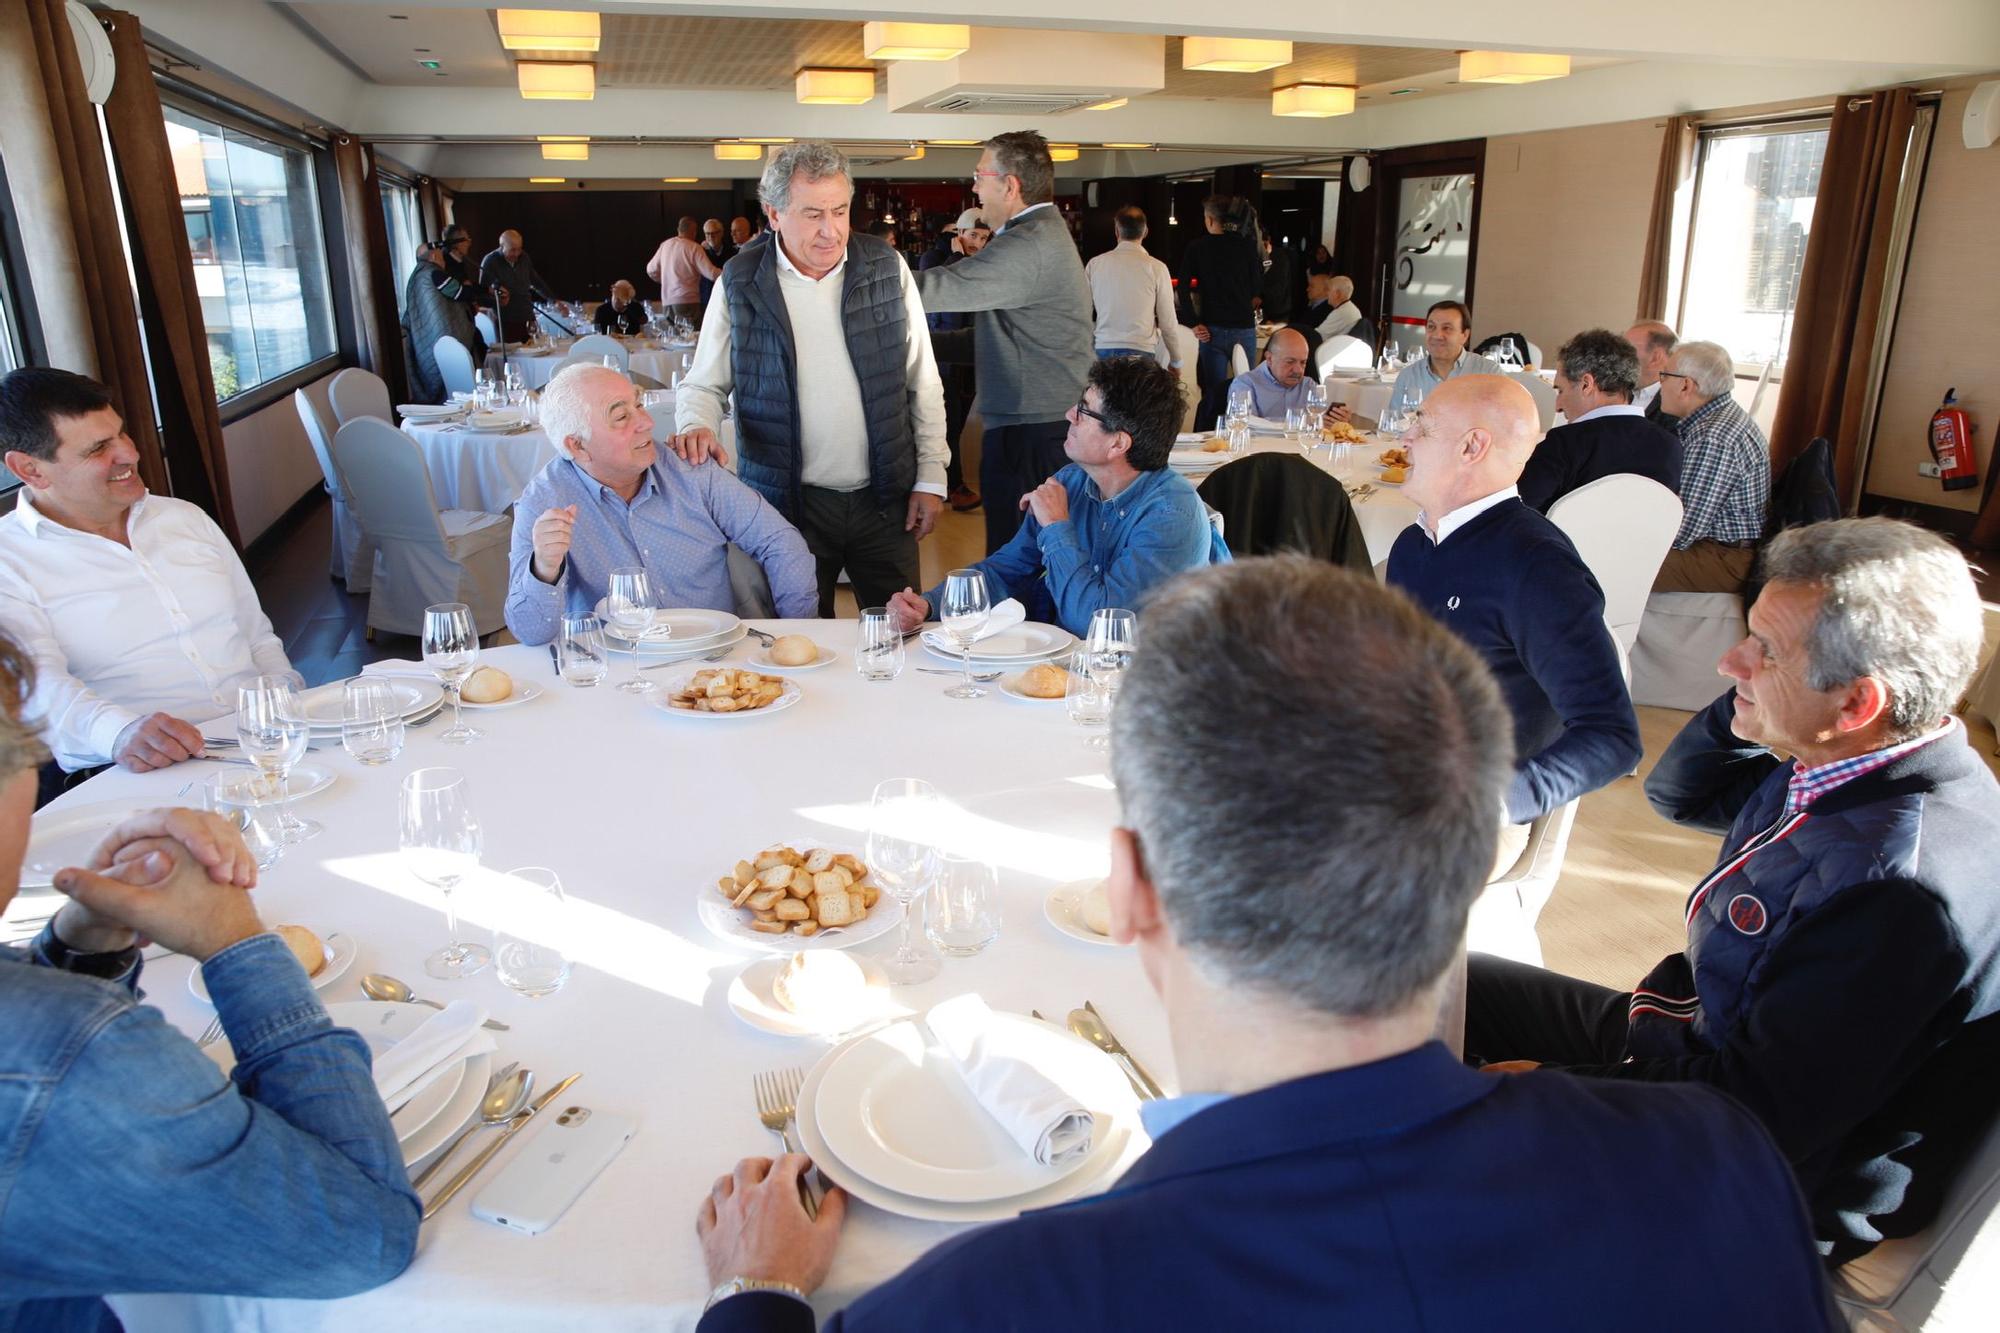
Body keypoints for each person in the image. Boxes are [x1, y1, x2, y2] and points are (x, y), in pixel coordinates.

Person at [691, 557, 1838, 1333]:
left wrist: (756, 1290)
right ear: (1462, 869)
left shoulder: (998, 1299)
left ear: (1130, 890)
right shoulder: (1717, 1165)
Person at [1470, 518, 2000, 1264]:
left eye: (1764, 650)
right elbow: (1680, 793)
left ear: (1857, 703)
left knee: (1451, 1157)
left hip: (1772, 1176)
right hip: (1698, 1041)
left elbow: (1756, 1114)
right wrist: (1764, 700)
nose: (1728, 661)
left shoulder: (1895, 891)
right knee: (1452, 987)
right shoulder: (1863, 758)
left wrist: (1551, 1088)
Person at [0, 635, 420, 1331]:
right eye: (24, 744)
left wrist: (86, 947)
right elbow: (365, 1234)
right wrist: (238, 941)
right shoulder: (72, 1053)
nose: (37, 767)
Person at [667, 143, 949, 616]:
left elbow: (924, 381)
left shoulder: (885, 267)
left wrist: (932, 476)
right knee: (797, 649)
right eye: (813, 214)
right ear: (774, 213)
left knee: (902, 638)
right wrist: (698, 423)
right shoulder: (740, 280)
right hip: (785, 507)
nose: (831, 230)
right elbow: (703, 384)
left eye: (840, 211)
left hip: (886, 501)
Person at [0, 369, 296, 798]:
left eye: (122, 434)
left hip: (262, 746)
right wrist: (120, 733)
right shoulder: (10, 559)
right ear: (30, 469)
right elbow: (39, 686)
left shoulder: (183, 518)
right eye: (99, 448)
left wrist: (287, 700)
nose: (129, 454)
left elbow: (255, 634)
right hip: (130, 775)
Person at [1386, 375, 1641, 851]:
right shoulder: (1413, 547)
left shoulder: (1536, 566)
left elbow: (1612, 738)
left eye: (1421, 425)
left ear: (1471, 447)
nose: (1405, 438)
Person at [885, 356, 1224, 637]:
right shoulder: (1073, 481)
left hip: (1143, 685)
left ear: (1118, 444)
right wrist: (930, 605)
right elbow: (1009, 569)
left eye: (1084, 410)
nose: (1069, 415)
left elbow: (1098, 628)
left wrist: (1057, 527)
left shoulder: (1172, 515)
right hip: (1067, 665)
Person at [504, 365, 815, 644]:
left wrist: (798, 632)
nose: (647, 422)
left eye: (639, 405)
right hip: (619, 672)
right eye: (622, 416)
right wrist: (544, 569)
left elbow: (780, 543)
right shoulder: (544, 503)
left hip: (713, 656)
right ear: (578, 445)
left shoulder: (690, 468)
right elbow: (530, 632)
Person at [914, 131, 1092, 554]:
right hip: (1032, 423)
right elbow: (1001, 340)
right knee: (1021, 557)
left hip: (1033, 430)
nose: (974, 187)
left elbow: (940, 287)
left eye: (979, 176)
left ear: (1010, 185)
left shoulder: (1029, 242)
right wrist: (923, 345)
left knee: (1019, 563)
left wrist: (850, 278)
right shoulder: (1037, 234)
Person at [1516, 328, 1682, 512]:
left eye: (1561, 391)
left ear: (1586, 384)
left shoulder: (1564, 443)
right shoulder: (1670, 446)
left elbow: (1517, 511)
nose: (1558, 406)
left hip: (1565, 540)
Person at [1652, 339, 1770, 593]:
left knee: (1613, 563)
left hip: (1723, 556)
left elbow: (1681, 531)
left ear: (1686, 385)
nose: (1659, 384)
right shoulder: (1714, 419)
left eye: (1664, 376)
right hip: (1715, 546)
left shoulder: (1714, 437)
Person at [917, 209, 987, 514]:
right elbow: (939, 296)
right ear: (959, 233)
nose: (978, 243)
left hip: (966, 356)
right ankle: (951, 486)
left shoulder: (979, 264)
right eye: (973, 235)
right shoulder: (935, 259)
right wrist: (958, 260)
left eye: (984, 238)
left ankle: (951, 484)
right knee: (947, 423)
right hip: (942, 354)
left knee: (955, 425)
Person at [1178, 196, 1264, 431]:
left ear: (1210, 219)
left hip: (1211, 328)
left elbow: (1182, 288)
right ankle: (1245, 434)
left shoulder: (1197, 247)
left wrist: (1193, 322)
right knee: (1246, 388)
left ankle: (1211, 435)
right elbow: (1258, 286)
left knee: (1214, 391)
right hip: (1243, 326)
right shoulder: (1246, 246)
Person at [1083, 206, 1180, 370]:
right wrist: (1176, 360)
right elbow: (1168, 322)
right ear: (1145, 232)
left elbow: (1081, 311)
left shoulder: (1095, 264)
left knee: (1106, 396)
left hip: (1104, 348)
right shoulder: (1157, 268)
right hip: (1142, 350)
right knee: (1137, 396)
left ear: (1116, 231)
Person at [405, 239, 485, 404]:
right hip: (441, 336)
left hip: (425, 338)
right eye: (441, 256)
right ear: (433, 256)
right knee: (449, 376)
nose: (444, 260)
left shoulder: (415, 277)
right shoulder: (433, 273)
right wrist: (478, 290)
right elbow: (458, 293)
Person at [1386, 301, 1505, 410]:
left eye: (1447, 328)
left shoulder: (1489, 373)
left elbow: (1506, 423)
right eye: (1431, 327)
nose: (1437, 336)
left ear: (1465, 335)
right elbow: (1395, 424)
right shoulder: (1409, 376)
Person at [479, 228, 559, 342]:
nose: (517, 254)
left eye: (519, 249)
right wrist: (500, 300)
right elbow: (482, 295)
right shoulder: (490, 262)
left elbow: (536, 282)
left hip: (527, 315)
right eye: (512, 250)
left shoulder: (524, 257)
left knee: (536, 349)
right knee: (513, 356)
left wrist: (554, 300)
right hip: (506, 320)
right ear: (502, 247)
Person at [648, 216, 723, 327]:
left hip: (667, 302)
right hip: (688, 302)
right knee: (690, 339)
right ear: (693, 231)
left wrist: (665, 280)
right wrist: (730, 273)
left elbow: (650, 270)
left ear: (679, 229)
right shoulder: (694, 247)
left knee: (672, 340)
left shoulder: (665, 245)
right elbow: (711, 273)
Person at [1226, 328, 1313, 420]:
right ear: (1269, 359)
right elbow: (1247, 425)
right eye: (1290, 362)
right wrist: (1301, 421)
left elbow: (1319, 423)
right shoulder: (1245, 384)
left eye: (1303, 362)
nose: (1298, 370)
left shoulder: (1308, 386)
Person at [1625, 320, 1680, 429]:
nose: (1619, 358)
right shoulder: (1617, 392)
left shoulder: (1676, 405)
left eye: (1627, 351)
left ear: (1655, 357)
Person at [1303, 273, 1365, 346]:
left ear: (1337, 294)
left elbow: (1318, 336)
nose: (1326, 293)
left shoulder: (1342, 312)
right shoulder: (1349, 308)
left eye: (1328, 290)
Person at [1257, 232, 1298, 324]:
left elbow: (1279, 285)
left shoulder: (1280, 257)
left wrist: (1259, 297)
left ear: (1267, 241)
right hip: (1263, 308)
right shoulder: (1258, 256)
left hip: (1279, 309)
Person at [700, 218, 737, 309]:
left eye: (714, 233)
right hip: (706, 300)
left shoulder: (733, 252)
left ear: (721, 233)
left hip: (727, 298)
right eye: (707, 234)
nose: (710, 236)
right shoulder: (701, 253)